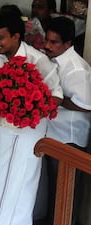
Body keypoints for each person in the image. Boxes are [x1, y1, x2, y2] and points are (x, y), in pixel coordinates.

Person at [0, 12, 63, 225]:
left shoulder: (38, 59)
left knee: (25, 182)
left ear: (16, 36)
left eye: (0, 37)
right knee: (1, 179)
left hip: (30, 131)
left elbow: (56, 94)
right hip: (2, 128)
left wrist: (33, 109)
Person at [44, 16, 91, 225]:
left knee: (66, 192)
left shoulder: (76, 68)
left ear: (67, 43)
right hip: (53, 133)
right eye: (47, 40)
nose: (47, 46)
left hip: (69, 137)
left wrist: (57, 99)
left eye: (53, 42)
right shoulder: (53, 61)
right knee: (54, 188)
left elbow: (86, 105)